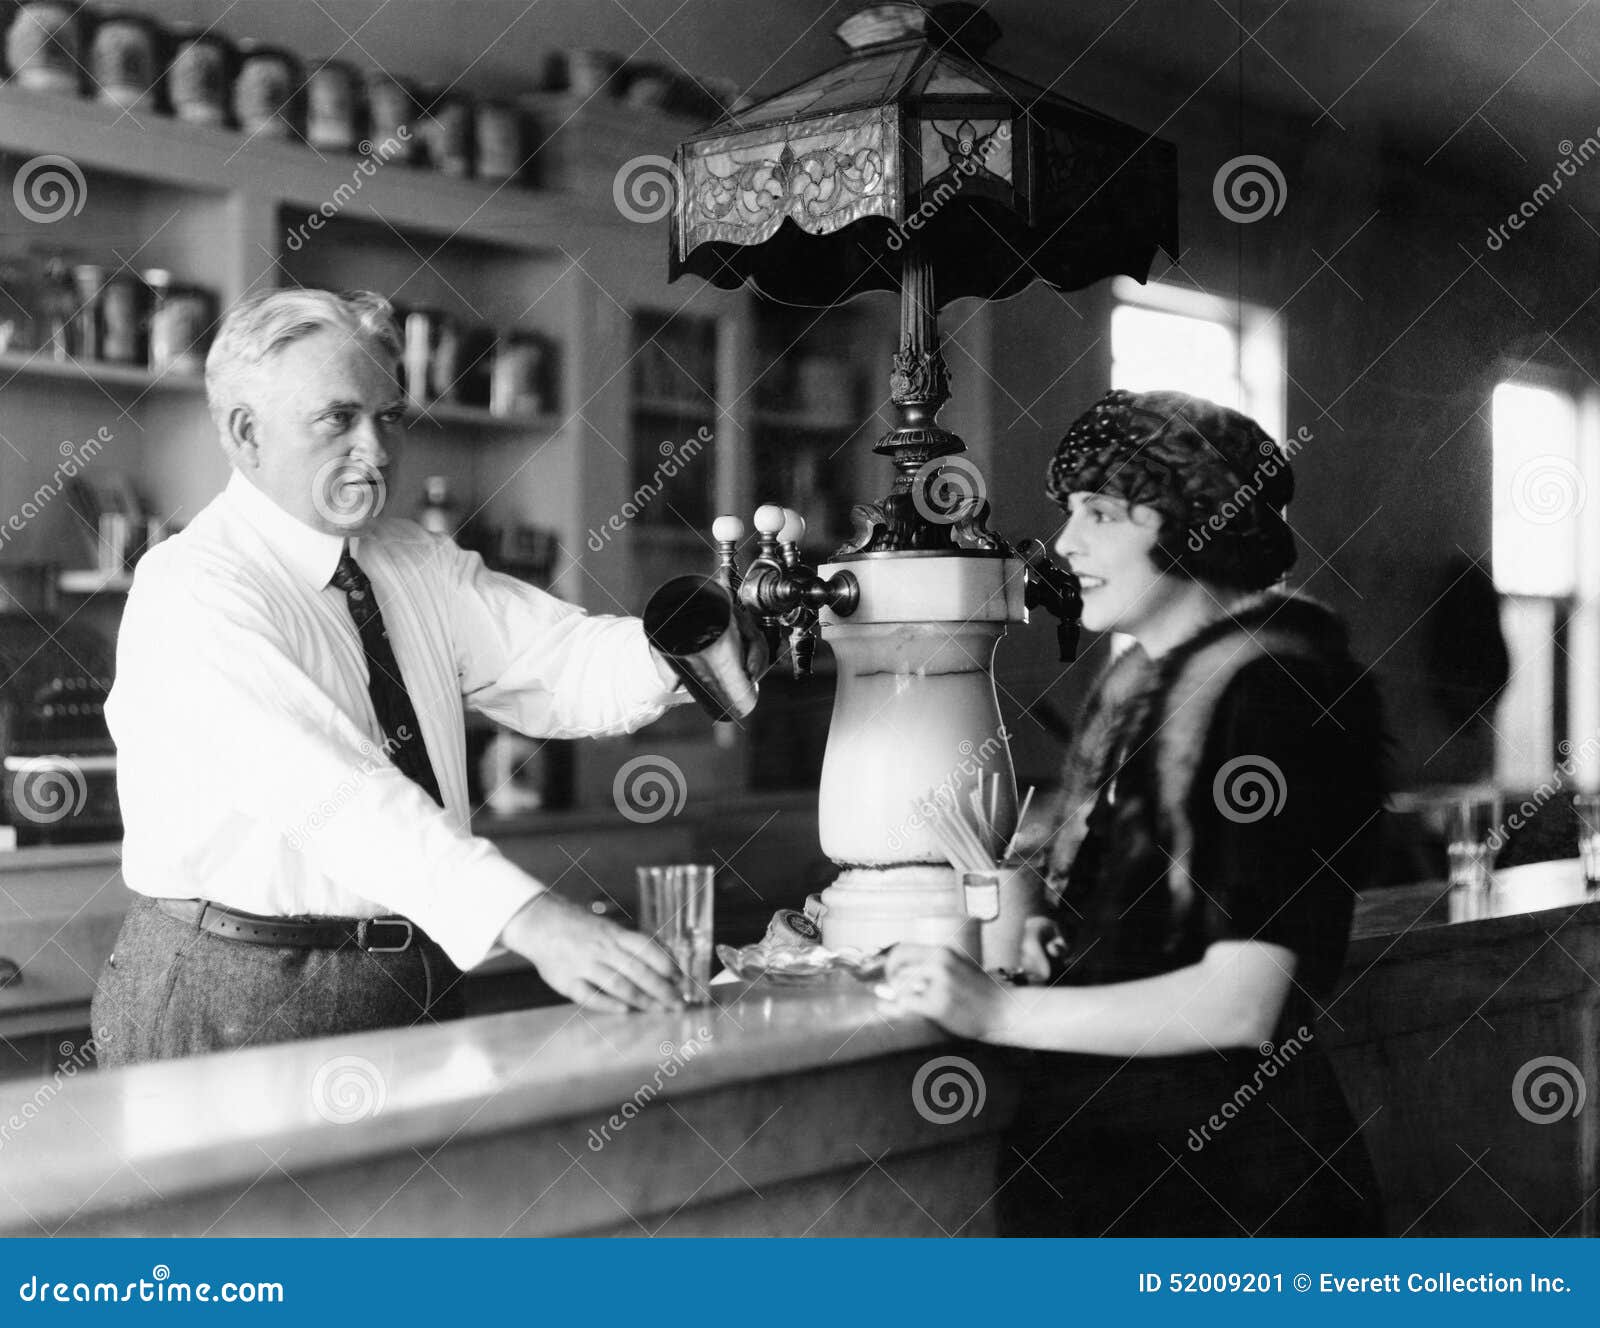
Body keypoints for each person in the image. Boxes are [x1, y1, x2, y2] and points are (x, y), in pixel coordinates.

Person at [91, 288, 765, 1066]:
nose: (377, 451)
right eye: (339, 419)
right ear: (246, 433)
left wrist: (692, 644)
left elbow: (557, 662)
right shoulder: (195, 586)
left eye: (390, 417)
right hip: (237, 987)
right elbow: (330, 791)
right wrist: (527, 917)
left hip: (411, 968)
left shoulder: (410, 559)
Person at [884, 389, 1387, 1236]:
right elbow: (1154, 928)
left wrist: (998, 1011)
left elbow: (1243, 1000)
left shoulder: (1273, 691)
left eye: (1102, 514)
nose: (1066, 543)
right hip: (1126, 1177)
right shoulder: (1150, 682)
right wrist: (1066, 932)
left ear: (1195, 523)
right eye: (1069, 512)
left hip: (1227, 1199)